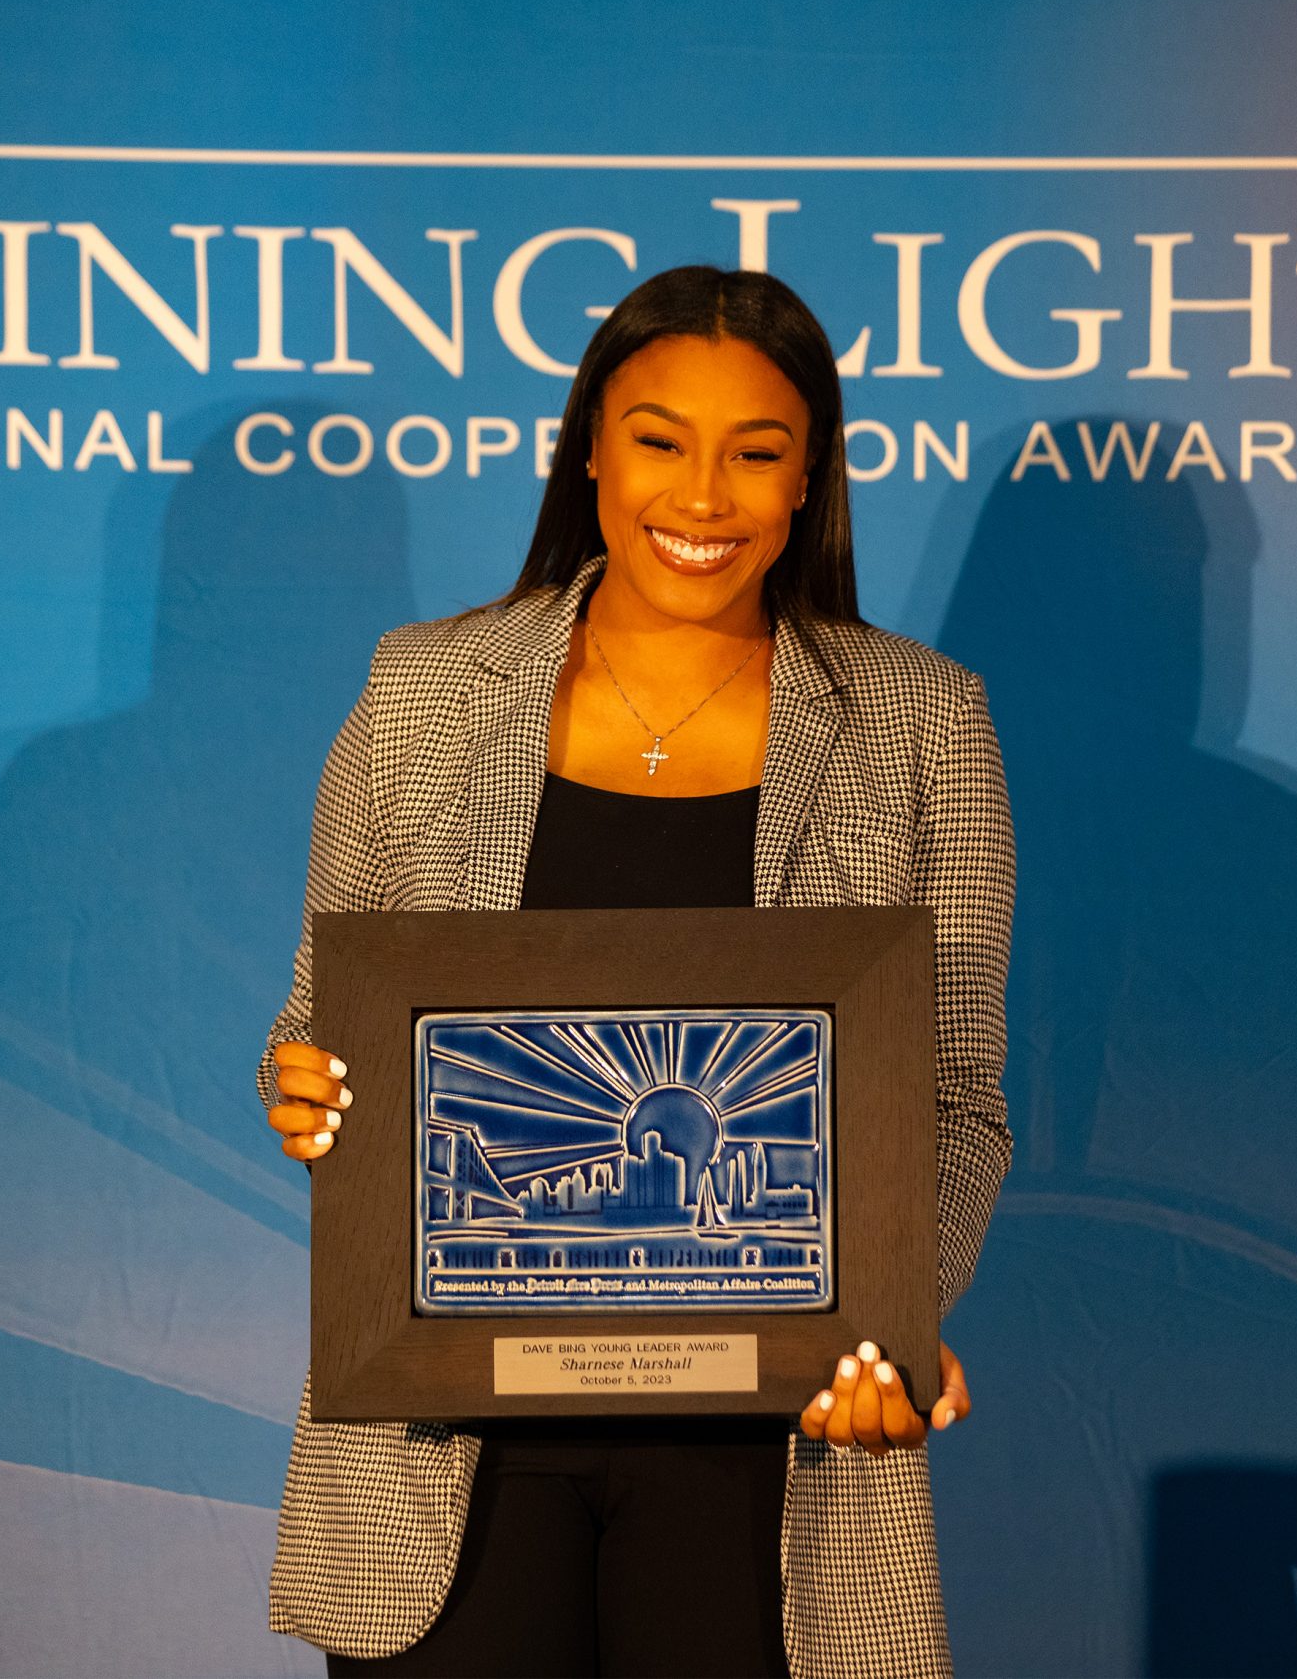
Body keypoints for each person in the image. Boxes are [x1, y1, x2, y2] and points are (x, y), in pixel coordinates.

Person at [257, 265, 1015, 1679]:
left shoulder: (923, 722)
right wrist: (304, 1093)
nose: (704, 497)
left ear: (809, 481)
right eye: (662, 440)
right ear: (590, 450)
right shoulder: (422, 693)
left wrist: (887, 1326)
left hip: (769, 1457)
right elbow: (319, 1023)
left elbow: (957, 1096)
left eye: (757, 452)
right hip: (449, 1448)